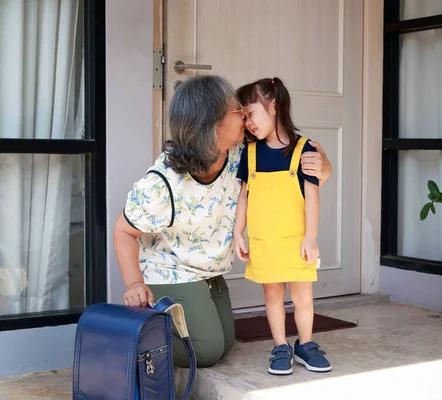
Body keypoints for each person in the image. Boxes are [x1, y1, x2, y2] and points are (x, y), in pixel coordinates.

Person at [113, 75, 332, 368]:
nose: (245, 116)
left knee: (226, 340)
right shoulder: (164, 183)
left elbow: (291, 176)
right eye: (237, 110)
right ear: (213, 125)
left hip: (209, 272)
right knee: (207, 350)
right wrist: (133, 284)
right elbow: (123, 230)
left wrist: (323, 166)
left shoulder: (239, 155)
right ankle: (131, 336)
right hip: (172, 271)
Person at [233, 77, 332, 375]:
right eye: (244, 118)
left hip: (296, 241)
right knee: (272, 295)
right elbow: (244, 196)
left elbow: (312, 198)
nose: (248, 123)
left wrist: (311, 238)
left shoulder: (305, 149)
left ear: (274, 105)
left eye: (251, 114)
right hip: (264, 241)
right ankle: (279, 345)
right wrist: (239, 231)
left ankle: (306, 344)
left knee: (302, 297)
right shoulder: (250, 153)